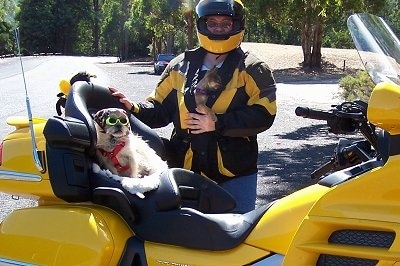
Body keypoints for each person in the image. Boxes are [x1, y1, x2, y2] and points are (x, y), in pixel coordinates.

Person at [110, 0, 277, 213]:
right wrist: (133, 107)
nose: (218, 28)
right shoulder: (180, 65)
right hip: (185, 170)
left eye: (225, 23)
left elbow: (265, 113)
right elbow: (159, 110)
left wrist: (217, 123)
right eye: (212, 23)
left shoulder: (253, 68)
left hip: (235, 173)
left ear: (237, 25)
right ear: (202, 25)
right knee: (186, 238)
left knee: (238, 237)